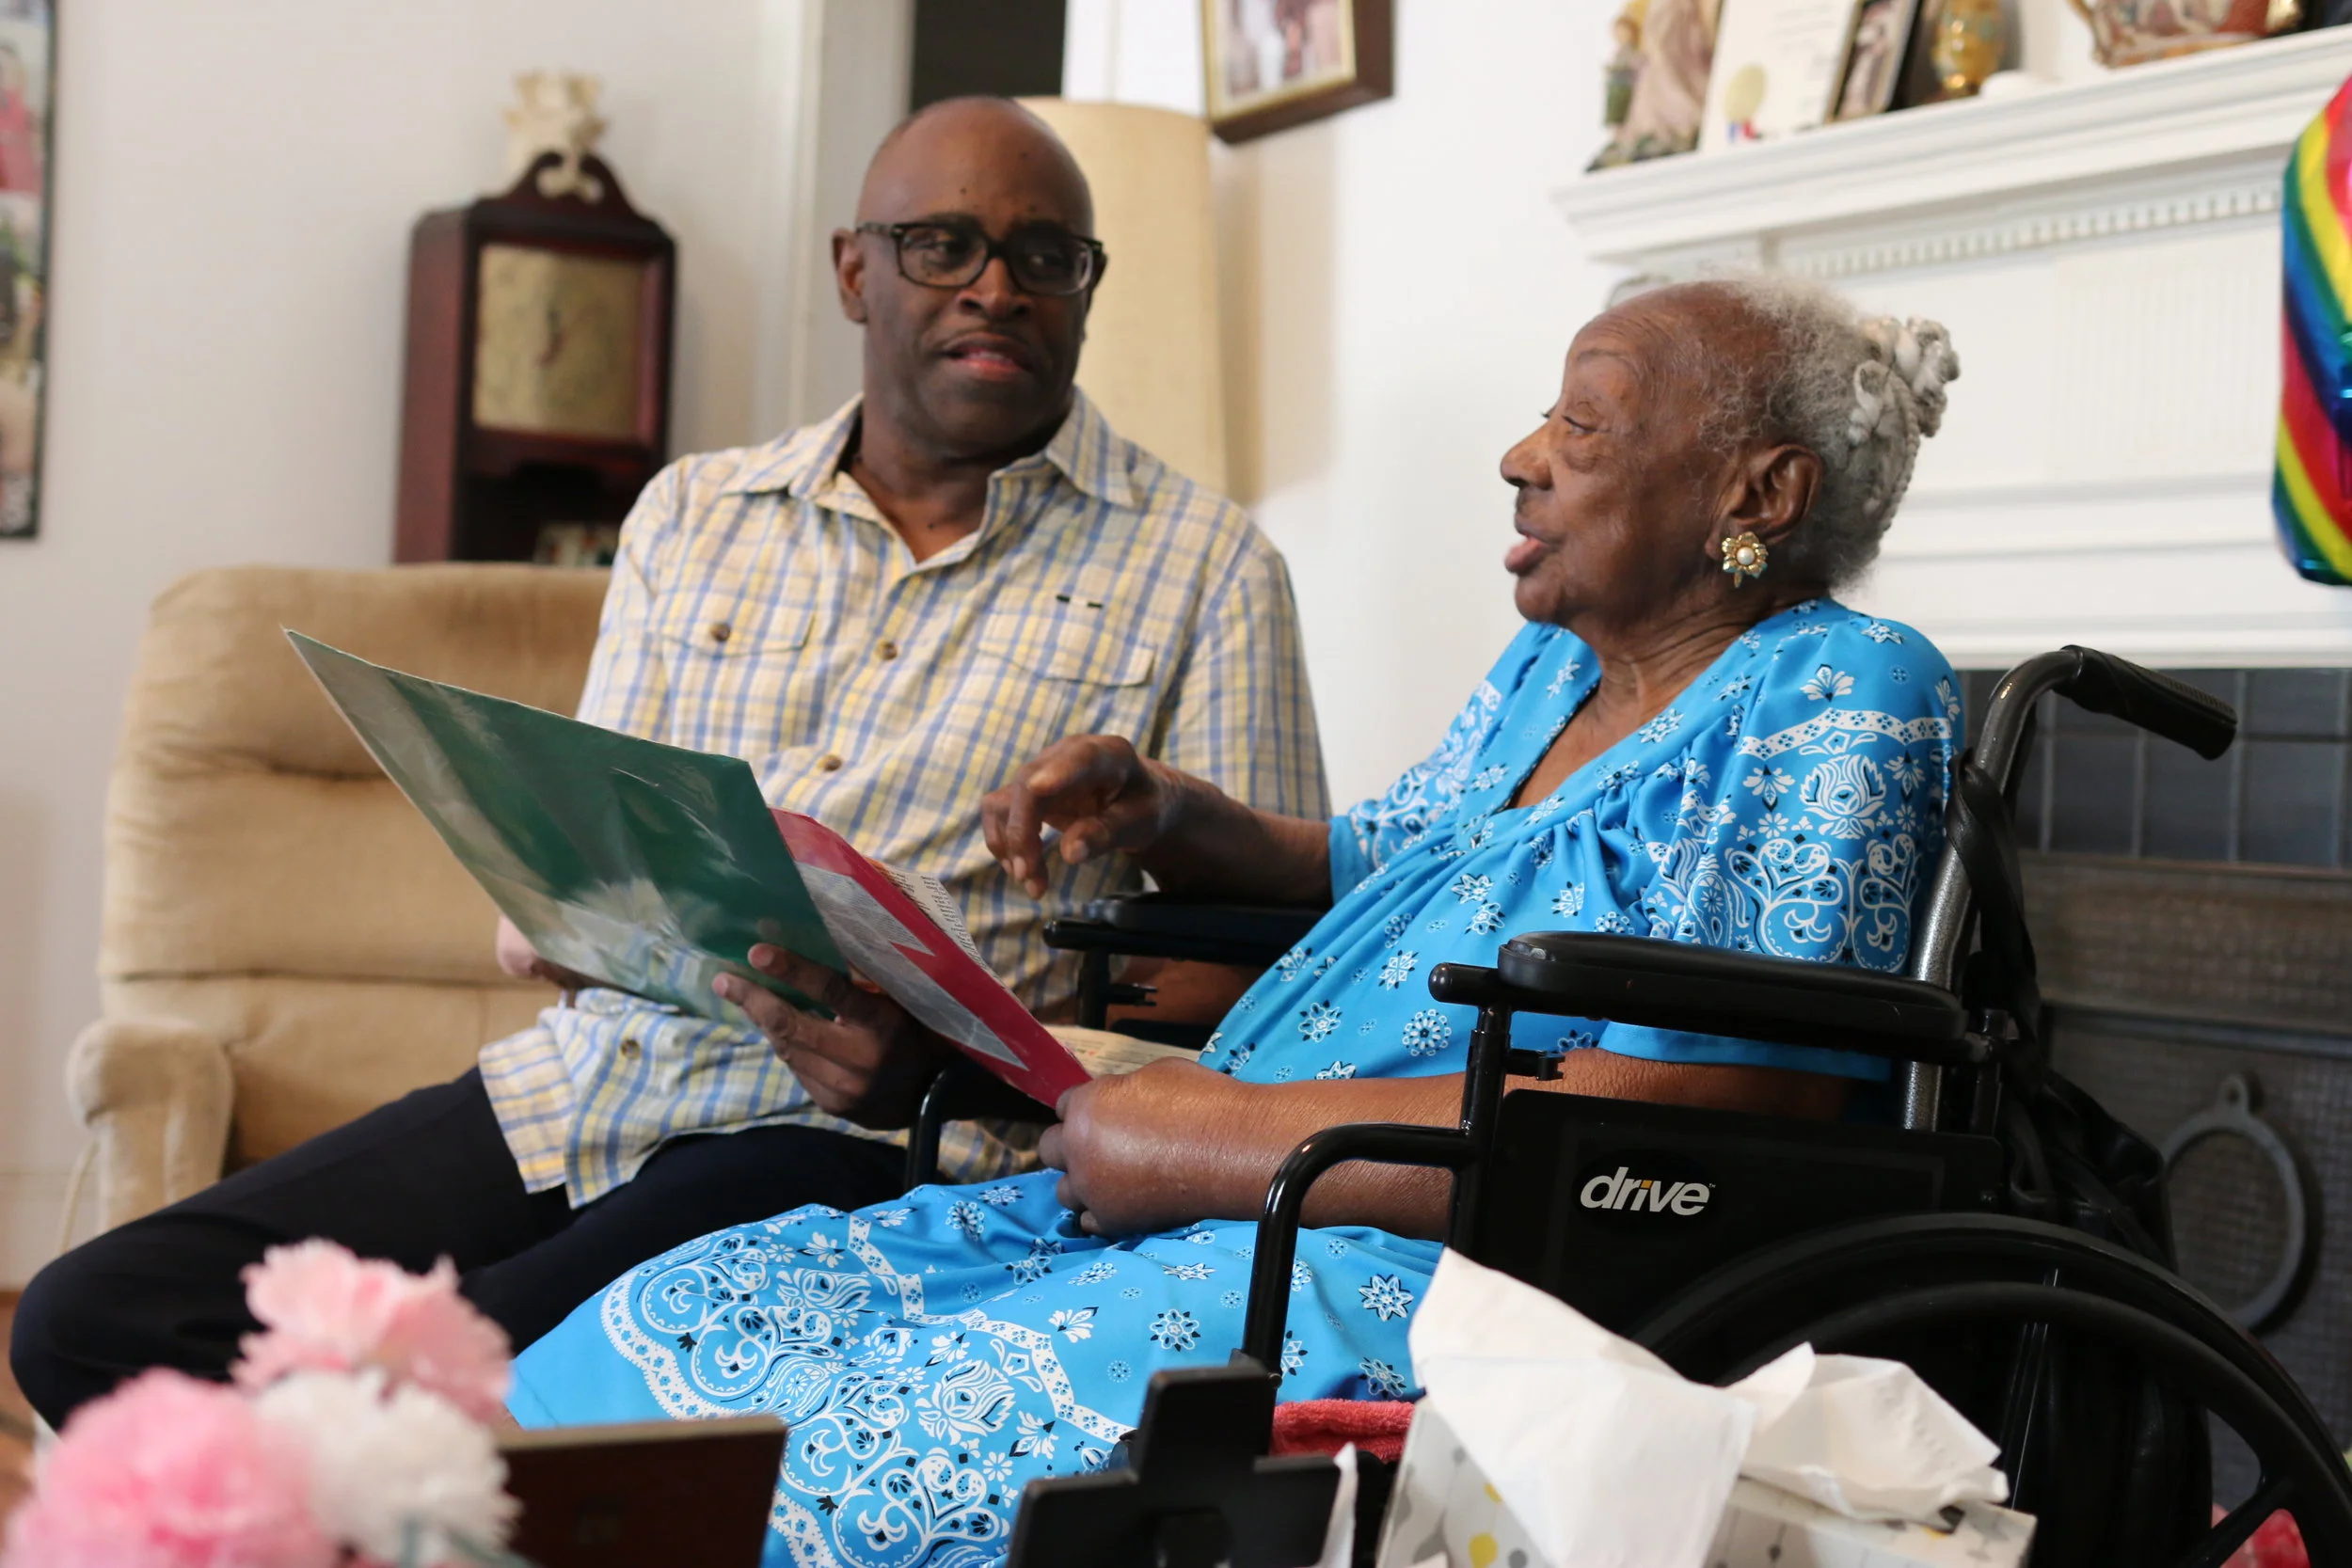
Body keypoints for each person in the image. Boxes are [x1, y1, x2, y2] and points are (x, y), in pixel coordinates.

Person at [505, 276, 1965, 1568]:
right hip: (1233, 1185)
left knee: (847, 1461)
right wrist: (1171, 814)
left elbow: (1726, 1094)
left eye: (1586, 426)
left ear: (1757, 498)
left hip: (1448, 1262)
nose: (1523, 456)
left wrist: (1214, 1138)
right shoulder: (1550, 674)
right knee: (687, 1323)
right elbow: (1388, 856)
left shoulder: (1846, 683)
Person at [10, 97, 1327, 1428]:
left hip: (867, 1145)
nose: (997, 286)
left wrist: (956, 1062)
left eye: (1046, 257)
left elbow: (1272, 989)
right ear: (854, 269)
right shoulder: (694, 513)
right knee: (89, 1320)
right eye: (943, 244)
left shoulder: (1208, 568)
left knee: (395, 1394)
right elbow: (599, 838)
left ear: (1086, 289)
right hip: (590, 1083)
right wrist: (568, 906)